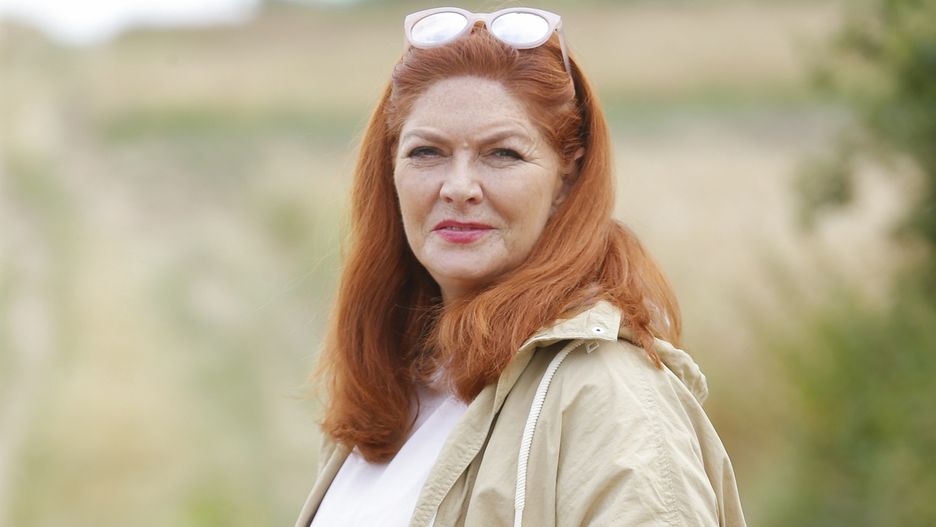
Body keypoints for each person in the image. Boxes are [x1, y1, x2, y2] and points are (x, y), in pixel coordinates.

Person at [295, 6, 747, 526]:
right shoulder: (392, 395)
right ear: (391, 167)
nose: (458, 187)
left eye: (503, 154)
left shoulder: (608, 397)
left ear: (567, 177)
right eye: (427, 152)